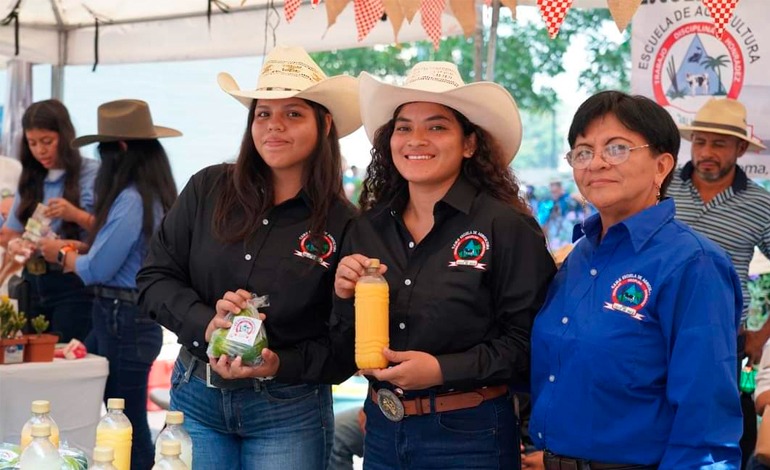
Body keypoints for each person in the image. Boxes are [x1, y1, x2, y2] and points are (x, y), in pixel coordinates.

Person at [136, 45, 359, 469]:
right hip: (195, 397)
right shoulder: (207, 189)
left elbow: (344, 345)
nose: (274, 126)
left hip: (289, 409)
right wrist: (206, 320)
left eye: (293, 113)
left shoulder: (346, 225)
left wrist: (278, 363)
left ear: (324, 123)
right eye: (263, 113)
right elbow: (154, 279)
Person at [332, 61, 555, 469]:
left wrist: (441, 370)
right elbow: (341, 346)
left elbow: (530, 344)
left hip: (470, 433)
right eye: (404, 127)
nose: (417, 139)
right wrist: (344, 297)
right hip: (382, 426)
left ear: (469, 144)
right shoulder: (367, 228)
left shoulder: (506, 227)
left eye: (437, 126)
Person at [529, 91, 743, 468]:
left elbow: (706, 420)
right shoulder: (579, 256)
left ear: (661, 166)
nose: (596, 163)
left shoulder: (694, 263)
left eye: (617, 148)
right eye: (582, 151)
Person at [36, 99, 179, 470]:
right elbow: (118, 256)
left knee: (125, 423)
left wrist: (59, 254)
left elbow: (98, 267)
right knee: (123, 418)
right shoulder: (147, 195)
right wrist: (82, 249)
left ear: (121, 149)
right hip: (123, 316)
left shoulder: (131, 199)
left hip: (123, 317)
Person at [669, 98, 770, 466]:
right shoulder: (661, 191)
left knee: (711, 442)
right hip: (650, 337)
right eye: (699, 141)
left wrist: (762, 334)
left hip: (723, 345)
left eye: (719, 144)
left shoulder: (761, 204)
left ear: (741, 148)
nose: (706, 152)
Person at [0, 99, 98, 343]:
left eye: (47, 142)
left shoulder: (92, 173)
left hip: (73, 284)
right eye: (32, 143)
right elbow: (10, 233)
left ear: (64, 136)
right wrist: (15, 245)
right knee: (33, 363)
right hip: (32, 284)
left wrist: (74, 215)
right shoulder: (30, 177)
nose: (40, 151)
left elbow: (109, 231)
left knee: (67, 361)